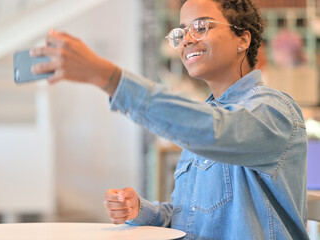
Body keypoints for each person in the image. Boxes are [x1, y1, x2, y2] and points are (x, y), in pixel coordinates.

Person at [30, 0, 309, 239]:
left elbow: (216, 131)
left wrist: (109, 77)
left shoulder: (275, 109)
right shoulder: (206, 117)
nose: (186, 39)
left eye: (201, 26)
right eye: (181, 33)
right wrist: (142, 210)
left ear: (243, 39)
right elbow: (188, 218)